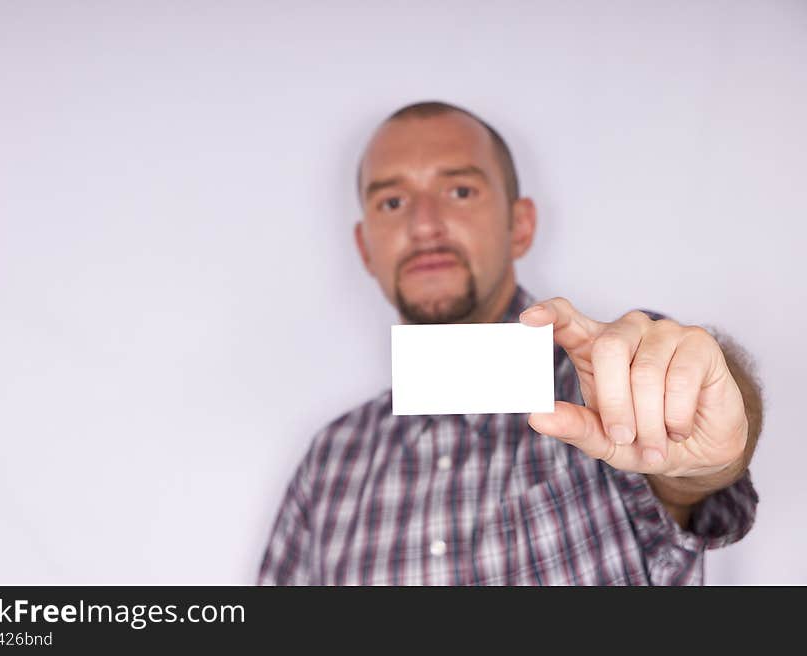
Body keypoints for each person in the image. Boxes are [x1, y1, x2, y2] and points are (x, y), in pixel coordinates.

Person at [257, 101, 762, 585]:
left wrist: (707, 434)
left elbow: (692, 465)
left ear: (519, 225)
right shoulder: (329, 462)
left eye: (459, 192)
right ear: (367, 248)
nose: (424, 225)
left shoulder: (618, 379)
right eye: (392, 202)